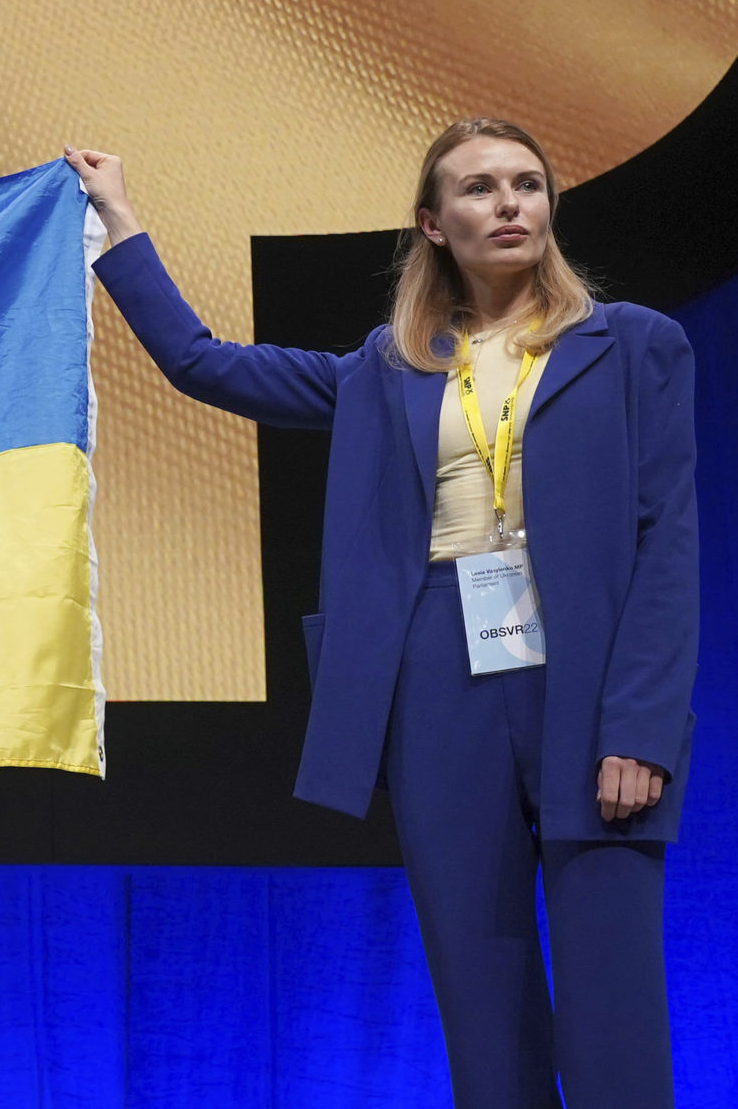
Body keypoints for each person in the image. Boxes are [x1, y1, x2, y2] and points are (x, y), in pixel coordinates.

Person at [66, 119, 693, 1109]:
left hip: (587, 682)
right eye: (479, 187)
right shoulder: (385, 367)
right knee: (479, 1002)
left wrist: (640, 725)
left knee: (614, 1003)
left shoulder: (636, 347)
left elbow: (668, 545)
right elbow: (200, 363)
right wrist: (120, 222)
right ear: (432, 223)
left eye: (526, 184)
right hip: (437, 673)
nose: (508, 203)